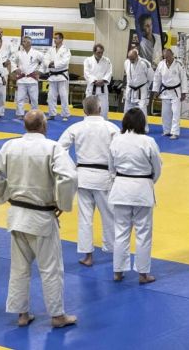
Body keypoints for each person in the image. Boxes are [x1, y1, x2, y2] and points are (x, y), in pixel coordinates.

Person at [0, 110, 79, 328]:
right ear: (43, 126)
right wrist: (61, 202)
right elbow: (69, 176)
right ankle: (57, 316)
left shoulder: (10, 146)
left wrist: (5, 193)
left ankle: (22, 314)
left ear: (25, 126)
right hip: (41, 217)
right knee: (51, 268)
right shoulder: (51, 147)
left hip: (17, 215)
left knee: (19, 267)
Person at [59, 96, 120, 267]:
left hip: (83, 176)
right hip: (104, 178)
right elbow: (119, 152)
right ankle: (113, 250)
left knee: (85, 217)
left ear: (84, 111)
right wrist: (115, 172)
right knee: (109, 215)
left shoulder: (75, 127)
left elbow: (59, 150)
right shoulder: (111, 128)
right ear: (100, 109)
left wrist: (72, 169)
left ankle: (88, 256)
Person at [108, 108, 163, 284]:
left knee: (120, 231)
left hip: (121, 188)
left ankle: (118, 271)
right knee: (143, 233)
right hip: (142, 189)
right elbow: (157, 168)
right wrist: (148, 181)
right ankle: (143, 273)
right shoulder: (148, 142)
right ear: (142, 123)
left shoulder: (116, 141)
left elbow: (111, 168)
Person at [153, 47, 187, 139]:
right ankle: (166, 131)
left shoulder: (179, 64)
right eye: (165, 57)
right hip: (165, 92)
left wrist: (184, 92)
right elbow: (157, 78)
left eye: (168, 57)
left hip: (176, 92)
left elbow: (184, 78)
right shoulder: (161, 64)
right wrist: (156, 90)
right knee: (165, 113)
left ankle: (175, 133)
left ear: (172, 55)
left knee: (175, 113)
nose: (166, 59)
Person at [13, 36, 45, 118]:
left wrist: (40, 71)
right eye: (23, 41)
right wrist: (15, 69)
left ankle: (34, 114)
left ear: (29, 43)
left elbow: (45, 61)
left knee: (34, 99)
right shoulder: (19, 53)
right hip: (22, 79)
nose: (22, 43)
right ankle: (20, 114)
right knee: (20, 99)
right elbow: (12, 61)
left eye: (24, 41)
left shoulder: (36, 53)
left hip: (32, 79)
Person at [45, 33, 72, 121]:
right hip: (52, 76)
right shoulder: (50, 50)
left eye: (56, 38)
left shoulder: (66, 50)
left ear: (61, 39)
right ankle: (52, 114)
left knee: (63, 96)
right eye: (54, 38)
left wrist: (54, 64)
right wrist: (49, 64)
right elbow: (45, 59)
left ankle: (65, 114)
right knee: (51, 96)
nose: (54, 40)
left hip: (62, 76)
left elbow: (65, 61)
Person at [123, 47, 154, 121]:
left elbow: (151, 77)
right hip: (130, 89)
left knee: (142, 109)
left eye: (133, 59)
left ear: (137, 56)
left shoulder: (145, 63)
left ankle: (144, 128)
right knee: (127, 109)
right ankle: (127, 127)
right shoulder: (126, 62)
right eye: (130, 59)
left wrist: (146, 88)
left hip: (141, 90)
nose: (131, 61)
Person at [83, 44, 113, 118]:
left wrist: (103, 80)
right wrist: (94, 81)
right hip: (92, 87)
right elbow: (86, 73)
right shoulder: (88, 60)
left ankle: (104, 124)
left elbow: (109, 72)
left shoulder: (107, 60)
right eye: (98, 52)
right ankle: (88, 126)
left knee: (104, 109)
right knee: (89, 108)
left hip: (103, 88)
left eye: (102, 52)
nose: (100, 54)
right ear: (94, 52)